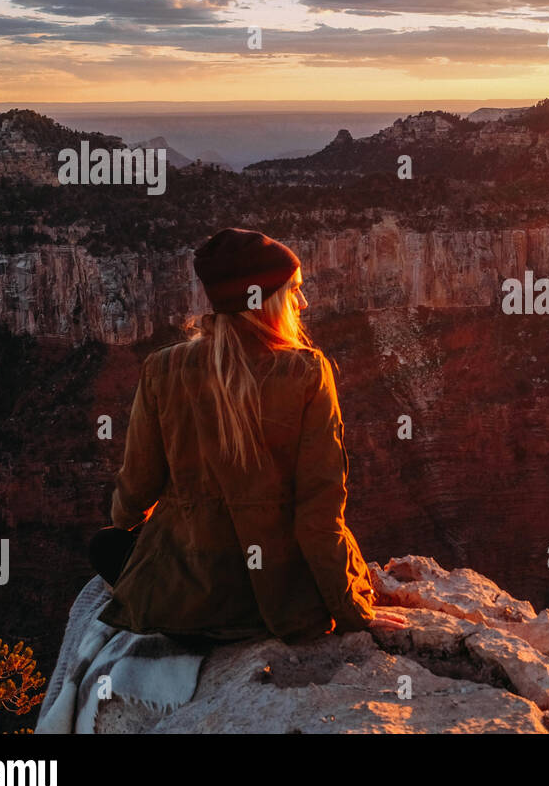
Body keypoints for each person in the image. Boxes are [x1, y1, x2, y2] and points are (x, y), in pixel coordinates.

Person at [90, 227, 408, 645]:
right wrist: (352, 612)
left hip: (187, 606)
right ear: (265, 300)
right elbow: (319, 512)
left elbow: (134, 495)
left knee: (105, 546)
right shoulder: (307, 371)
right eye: (293, 290)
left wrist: (141, 533)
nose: (304, 301)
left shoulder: (162, 368)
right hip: (276, 604)